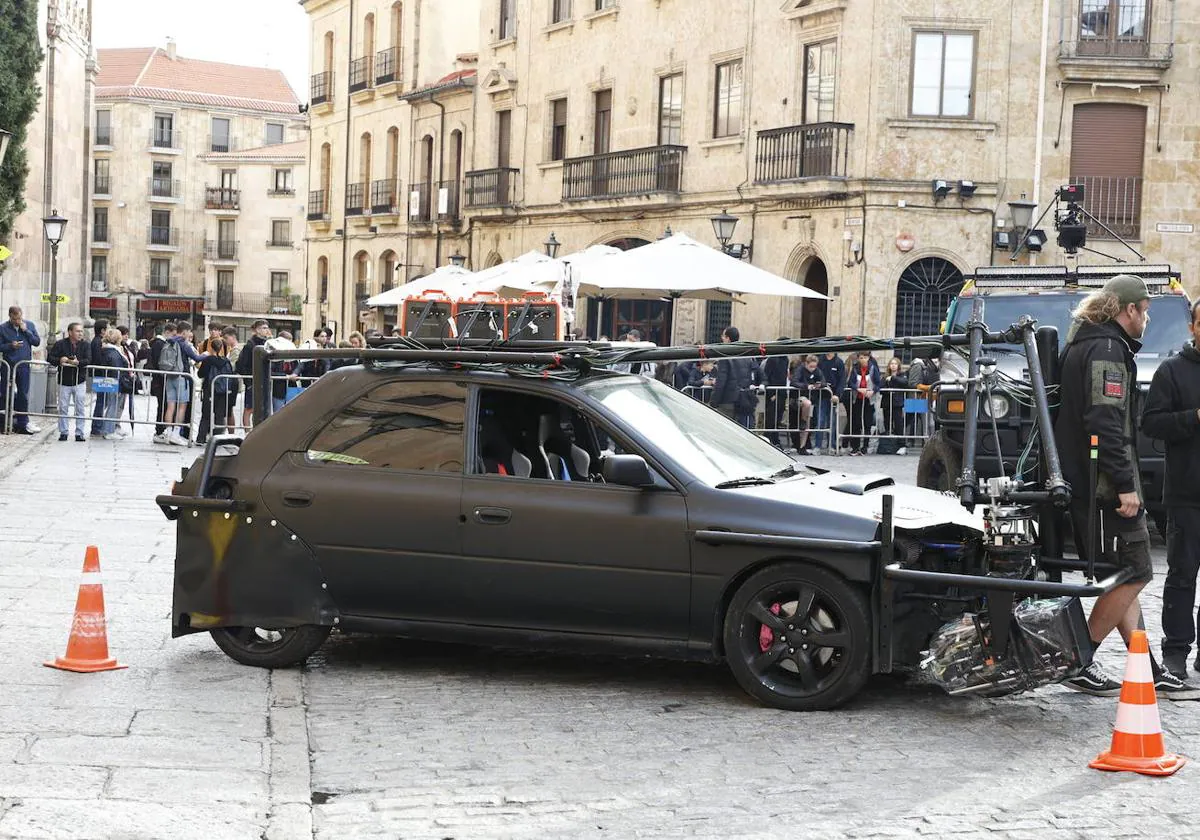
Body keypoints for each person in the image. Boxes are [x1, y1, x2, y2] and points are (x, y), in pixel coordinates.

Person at [1055, 275, 1198, 699]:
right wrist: (1124, 484)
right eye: (1145, 311)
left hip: (1088, 482)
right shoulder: (1107, 349)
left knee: (1123, 576)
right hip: (1103, 486)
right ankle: (1079, 659)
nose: (1147, 319)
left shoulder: (1088, 342)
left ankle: (1147, 668)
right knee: (1137, 572)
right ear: (1128, 309)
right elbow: (1105, 424)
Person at [1142, 298, 1200, 680]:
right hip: (1186, 494)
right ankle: (1176, 652)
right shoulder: (1172, 371)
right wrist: (1193, 417)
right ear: (1193, 326)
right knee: (1181, 576)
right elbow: (1152, 423)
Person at [156, 320, 207, 446]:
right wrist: (206, 354)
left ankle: (168, 431)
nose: (189, 334)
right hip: (181, 377)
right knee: (182, 406)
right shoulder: (183, 343)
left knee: (170, 406)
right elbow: (196, 358)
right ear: (184, 332)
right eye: (189, 331)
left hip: (170, 376)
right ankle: (176, 433)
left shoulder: (169, 341)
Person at [0, 306, 42, 435]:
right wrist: (10, 346)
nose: (18, 321)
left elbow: (36, 342)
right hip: (9, 365)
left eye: (19, 318)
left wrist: (26, 331)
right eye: (15, 319)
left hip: (23, 366)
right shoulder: (3, 328)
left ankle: (22, 423)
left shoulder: (29, 325)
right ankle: (4, 423)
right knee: (6, 393)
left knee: (23, 394)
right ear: (10, 316)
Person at [48, 321, 90, 441]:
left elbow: (89, 360)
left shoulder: (86, 345)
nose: (80, 333)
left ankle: (79, 433)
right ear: (70, 332)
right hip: (64, 381)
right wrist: (60, 360)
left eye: (81, 331)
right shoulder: (61, 344)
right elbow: (50, 357)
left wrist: (78, 362)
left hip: (79, 381)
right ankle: (64, 432)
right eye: (78, 331)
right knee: (63, 407)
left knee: (80, 408)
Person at [196, 324, 236, 444]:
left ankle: (201, 438)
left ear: (211, 348)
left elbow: (200, 374)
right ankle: (218, 439)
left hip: (209, 389)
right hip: (223, 391)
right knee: (220, 415)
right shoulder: (226, 362)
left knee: (206, 414)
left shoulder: (207, 360)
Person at [711, 326, 757, 427]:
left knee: (725, 430)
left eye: (723, 336)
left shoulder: (725, 356)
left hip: (727, 401)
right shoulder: (745, 355)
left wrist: (713, 401)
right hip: (742, 400)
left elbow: (721, 382)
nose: (722, 339)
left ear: (728, 338)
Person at [235, 319, 272, 428]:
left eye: (267, 328)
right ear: (257, 330)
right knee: (249, 407)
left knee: (264, 407)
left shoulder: (268, 343)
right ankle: (247, 431)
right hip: (253, 380)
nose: (266, 330)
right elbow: (242, 364)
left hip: (264, 379)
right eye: (263, 328)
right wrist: (249, 381)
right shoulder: (250, 344)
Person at [96, 328, 130, 441]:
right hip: (114, 383)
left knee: (111, 405)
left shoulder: (107, 350)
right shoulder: (113, 352)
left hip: (111, 381)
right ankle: (108, 430)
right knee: (112, 406)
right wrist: (122, 382)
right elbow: (116, 370)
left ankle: (109, 429)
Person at [844, 351, 880, 455]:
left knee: (868, 423)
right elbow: (851, 383)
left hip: (869, 400)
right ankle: (855, 447)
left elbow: (878, 383)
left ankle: (865, 446)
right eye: (860, 358)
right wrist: (858, 389)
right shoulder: (855, 368)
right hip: (857, 399)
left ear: (868, 358)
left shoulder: (873, 368)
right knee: (856, 423)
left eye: (864, 357)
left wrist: (872, 391)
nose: (862, 360)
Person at [790, 355, 825, 455]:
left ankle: (802, 446)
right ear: (806, 364)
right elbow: (794, 382)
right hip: (799, 398)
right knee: (807, 404)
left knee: (808, 424)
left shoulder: (817, 371)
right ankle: (803, 421)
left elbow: (824, 381)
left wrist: (819, 385)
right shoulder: (800, 369)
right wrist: (806, 386)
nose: (813, 369)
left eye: (814, 367)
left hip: (811, 398)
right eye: (811, 367)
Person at [761, 339, 791, 448]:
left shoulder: (785, 359)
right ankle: (770, 440)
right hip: (773, 394)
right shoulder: (772, 359)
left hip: (782, 393)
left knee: (778, 419)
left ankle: (775, 440)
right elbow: (766, 377)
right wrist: (771, 393)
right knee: (771, 419)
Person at [878, 357, 909, 456]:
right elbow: (880, 387)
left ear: (898, 365)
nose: (893, 365)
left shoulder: (902, 375)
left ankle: (902, 445)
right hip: (887, 403)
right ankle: (889, 445)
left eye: (895, 364)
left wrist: (893, 378)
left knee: (899, 424)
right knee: (887, 423)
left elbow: (905, 383)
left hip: (897, 403)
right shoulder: (885, 376)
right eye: (891, 363)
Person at [817, 351, 846, 452]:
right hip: (821, 395)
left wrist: (837, 395)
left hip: (833, 396)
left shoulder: (839, 362)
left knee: (832, 422)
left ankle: (832, 445)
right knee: (820, 421)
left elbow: (842, 380)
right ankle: (817, 446)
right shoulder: (820, 360)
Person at [88, 318, 109, 436]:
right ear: (102, 330)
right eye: (107, 328)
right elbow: (98, 359)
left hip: (101, 374)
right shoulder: (97, 342)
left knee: (102, 401)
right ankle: (96, 427)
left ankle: (98, 426)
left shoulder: (98, 341)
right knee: (101, 401)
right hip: (101, 375)